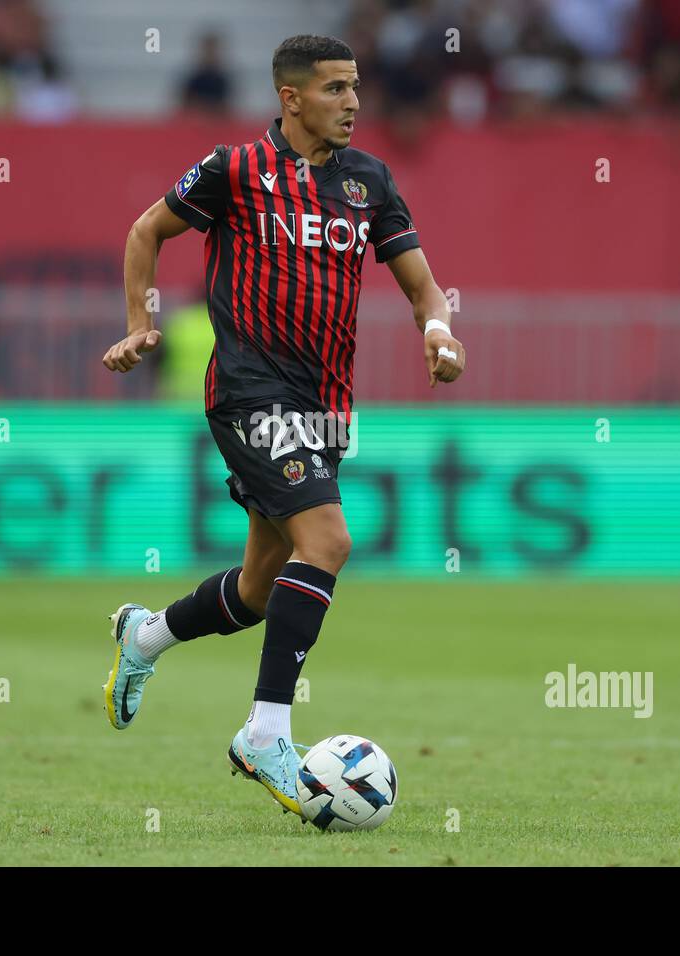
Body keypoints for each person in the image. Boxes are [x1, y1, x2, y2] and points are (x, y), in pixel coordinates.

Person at [99, 34, 465, 816]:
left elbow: (426, 291)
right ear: (291, 98)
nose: (354, 102)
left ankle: (146, 637)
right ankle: (267, 729)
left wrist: (439, 333)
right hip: (248, 392)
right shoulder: (233, 171)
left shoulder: (369, 184)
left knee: (264, 588)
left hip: (328, 405)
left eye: (356, 87)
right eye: (335, 89)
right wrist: (138, 321)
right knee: (329, 542)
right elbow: (145, 231)